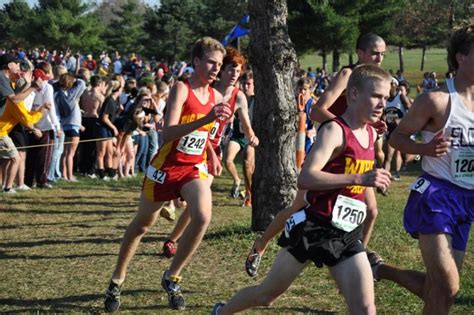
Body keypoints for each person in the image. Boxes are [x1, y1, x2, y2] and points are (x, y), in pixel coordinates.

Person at [212, 64, 392, 315]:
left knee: (365, 309)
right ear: (353, 94)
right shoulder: (334, 131)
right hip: (314, 228)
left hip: (347, 233)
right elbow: (306, 178)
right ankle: (221, 312)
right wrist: (359, 177)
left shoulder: (371, 133)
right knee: (267, 295)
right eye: (376, 96)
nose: (382, 104)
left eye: (386, 97)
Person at [103, 37, 232, 312]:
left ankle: (172, 276)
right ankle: (117, 280)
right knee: (141, 226)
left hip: (192, 168)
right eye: (211, 62)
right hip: (165, 168)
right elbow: (168, 133)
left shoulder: (217, 96)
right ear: (196, 61)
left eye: (219, 64)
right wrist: (207, 119)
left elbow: (203, 134)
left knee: (203, 216)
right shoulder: (181, 89)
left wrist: (211, 151)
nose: (215, 69)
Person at [371, 25, 474, 315]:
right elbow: (397, 138)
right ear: (461, 57)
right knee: (449, 286)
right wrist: (425, 149)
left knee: (441, 293)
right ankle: (379, 269)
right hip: (436, 196)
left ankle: (380, 269)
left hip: (466, 200)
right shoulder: (437, 100)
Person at [160, 46, 259, 258]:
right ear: (221, 70)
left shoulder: (238, 96)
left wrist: (251, 135)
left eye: (238, 70)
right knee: (180, 200)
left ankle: (172, 239)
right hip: (192, 146)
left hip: (213, 149)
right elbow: (196, 126)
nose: (234, 74)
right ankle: (167, 206)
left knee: (200, 202)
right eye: (230, 69)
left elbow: (246, 123)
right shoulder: (208, 91)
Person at [310, 33, 387, 248]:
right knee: (298, 206)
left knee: (371, 211)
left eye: (382, 54)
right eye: (374, 53)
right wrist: (347, 129)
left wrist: (371, 126)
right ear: (360, 53)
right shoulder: (348, 74)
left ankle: (359, 254)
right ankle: (262, 243)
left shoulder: (377, 82)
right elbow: (317, 112)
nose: (379, 59)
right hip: (333, 151)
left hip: (356, 154)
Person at [382, 77, 411, 182]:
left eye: (389, 85)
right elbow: (383, 114)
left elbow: (412, 112)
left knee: (404, 155)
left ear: (394, 86)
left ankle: (416, 156)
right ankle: (388, 176)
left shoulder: (401, 97)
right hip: (390, 130)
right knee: (388, 154)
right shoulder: (384, 99)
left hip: (401, 129)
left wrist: (400, 120)